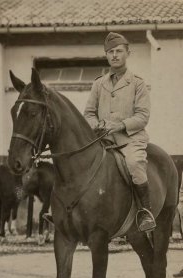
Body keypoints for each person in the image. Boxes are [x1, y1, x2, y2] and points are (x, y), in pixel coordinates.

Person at [84, 32, 156, 232]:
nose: (114, 55)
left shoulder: (137, 84)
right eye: (110, 52)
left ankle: (145, 212)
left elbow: (143, 116)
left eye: (118, 51)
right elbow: (88, 113)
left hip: (130, 140)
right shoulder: (99, 84)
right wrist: (95, 124)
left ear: (127, 53)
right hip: (102, 139)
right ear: (106, 55)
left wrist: (121, 125)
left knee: (134, 164)